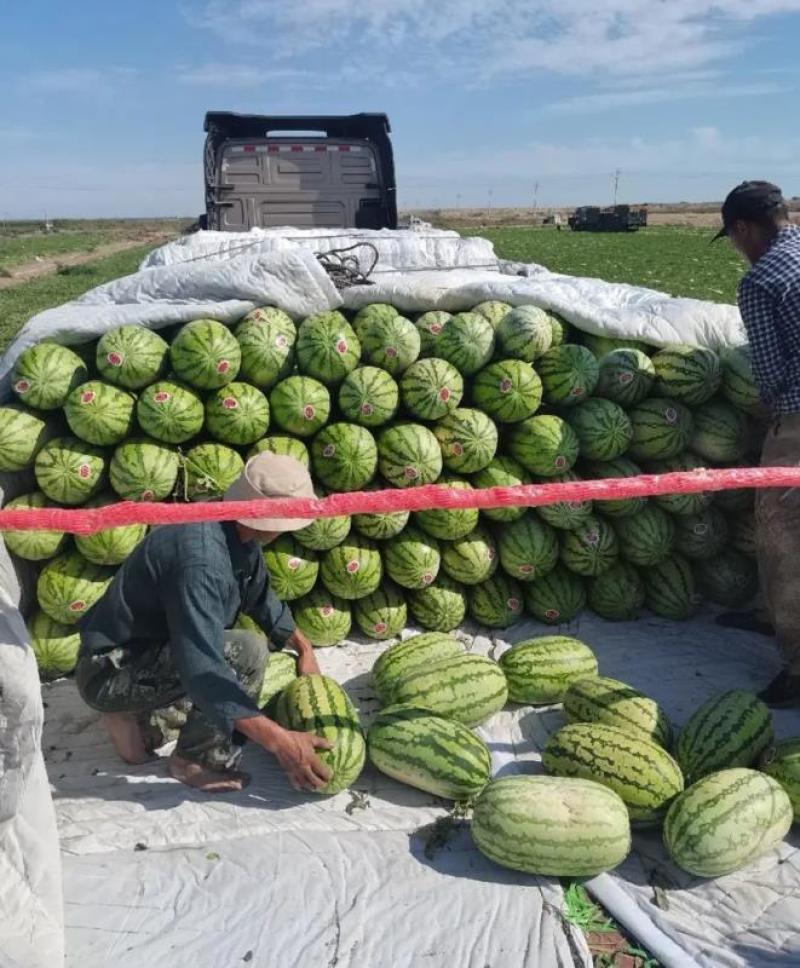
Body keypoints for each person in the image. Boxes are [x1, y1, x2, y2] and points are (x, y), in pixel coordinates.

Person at [76, 452, 334, 792]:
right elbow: (202, 669)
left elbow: (260, 597)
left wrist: (303, 647)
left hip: (143, 648)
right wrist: (281, 742)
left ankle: (143, 721)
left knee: (230, 667)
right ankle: (193, 760)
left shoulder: (234, 528)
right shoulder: (202, 563)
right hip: (110, 670)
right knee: (247, 652)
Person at [714, 180, 800, 706]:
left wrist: (760, 425)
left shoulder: (762, 280)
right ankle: (772, 614)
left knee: (785, 537)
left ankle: (797, 664)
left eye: (731, 236)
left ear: (743, 228)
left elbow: (770, 376)